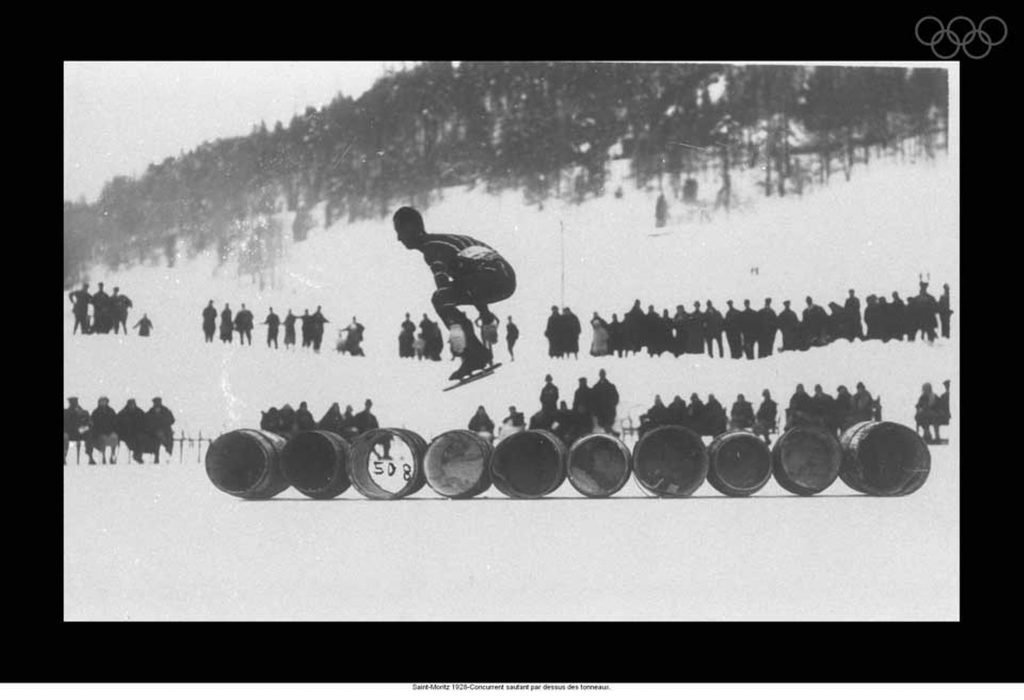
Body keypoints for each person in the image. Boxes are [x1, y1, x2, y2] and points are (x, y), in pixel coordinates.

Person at [392, 206, 517, 380]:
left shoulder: (432, 248)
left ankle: (474, 354)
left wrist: (457, 334)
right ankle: (474, 353)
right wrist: (485, 314)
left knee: (440, 299)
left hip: (491, 275)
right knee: (448, 295)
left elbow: (445, 289)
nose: (398, 238)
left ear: (411, 228)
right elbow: (470, 277)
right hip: (504, 278)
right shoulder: (445, 241)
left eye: (399, 231)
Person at [141, 397, 175, 464]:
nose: (157, 405)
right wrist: (155, 429)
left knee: (169, 441)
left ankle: (168, 456)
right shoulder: (150, 412)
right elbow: (146, 423)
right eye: (155, 403)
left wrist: (163, 426)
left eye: (158, 403)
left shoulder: (166, 411)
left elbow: (172, 420)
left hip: (166, 432)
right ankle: (157, 457)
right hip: (154, 433)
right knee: (156, 442)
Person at [88, 397, 119, 465]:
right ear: (99, 402)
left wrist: (114, 430)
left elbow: (115, 422)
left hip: (110, 431)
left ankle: (112, 455)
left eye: (104, 401)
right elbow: (93, 424)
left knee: (114, 437)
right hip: (100, 432)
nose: (103, 403)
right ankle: (103, 456)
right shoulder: (95, 412)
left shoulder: (111, 411)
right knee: (103, 439)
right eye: (101, 401)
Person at [116, 399, 145, 464]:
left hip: (138, 433)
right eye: (130, 404)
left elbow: (145, 422)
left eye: (133, 404)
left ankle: (138, 456)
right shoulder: (122, 413)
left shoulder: (140, 412)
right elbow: (117, 424)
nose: (132, 406)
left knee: (142, 439)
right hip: (126, 434)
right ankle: (136, 455)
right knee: (132, 442)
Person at [590, 369, 620, 433]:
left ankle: (612, 435)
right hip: (600, 411)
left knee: (607, 426)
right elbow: (593, 400)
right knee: (604, 426)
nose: (602, 375)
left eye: (603, 374)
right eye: (601, 374)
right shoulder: (596, 387)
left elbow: (616, 398)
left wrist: (611, 405)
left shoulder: (610, 386)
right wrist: (595, 410)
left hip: (609, 411)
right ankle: (612, 434)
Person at [64, 397, 91, 464]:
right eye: (72, 402)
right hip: (69, 432)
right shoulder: (66, 412)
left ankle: (90, 455)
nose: (73, 404)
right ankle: (64, 456)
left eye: (75, 402)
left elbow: (89, 423)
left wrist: (84, 428)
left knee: (90, 433)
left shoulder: (84, 412)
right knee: (65, 436)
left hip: (80, 431)